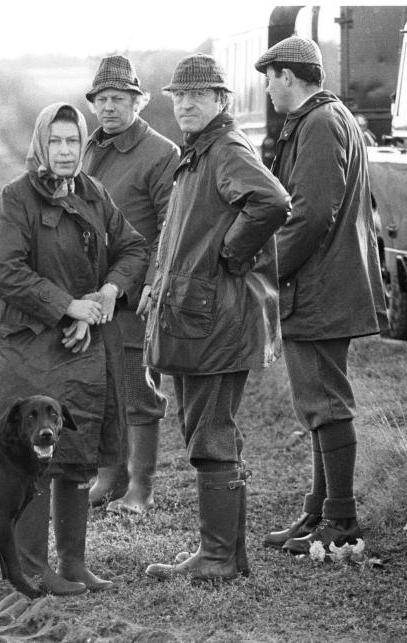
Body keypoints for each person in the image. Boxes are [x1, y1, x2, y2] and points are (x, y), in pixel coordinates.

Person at [0, 102, 147, 594]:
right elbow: (3, 270)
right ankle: (31, 568)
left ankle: (73, 564)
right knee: (31, 459)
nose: (65, 150)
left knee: (75, 452)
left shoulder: (94, 194)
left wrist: (106, 296)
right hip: (27, 349)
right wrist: (67, 307)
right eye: (55, 141)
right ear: (40, 144)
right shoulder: (15, 199)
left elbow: (134, 249)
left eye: (73, 141)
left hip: (81, 348)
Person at [142, 54, 290, 581]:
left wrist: (231, 254)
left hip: (216, 318)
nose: (185, 103)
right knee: (207, 430)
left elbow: (271, 202)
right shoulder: (198, 152)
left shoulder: (224, 148)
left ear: (221, 101)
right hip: (197, 314)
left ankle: (219, 557)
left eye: (197, 96)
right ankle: (224, 554)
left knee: (209, 433)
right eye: (179, 96)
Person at [253, 37, 388, 554]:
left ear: (289, 76)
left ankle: (342, 519)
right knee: (317, 403)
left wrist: (266, 269)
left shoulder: (319, 123)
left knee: (327, 402)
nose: (266, 87)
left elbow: (310, 215)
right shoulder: (325, 120)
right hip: (322, 282)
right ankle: (319, 512)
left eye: (270, 76)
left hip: (319, 286)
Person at [82, 55, 180, 515]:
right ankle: (109, 478)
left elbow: (169, 227)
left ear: (138, 102)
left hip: (135, 293)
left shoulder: (161, 153)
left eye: (118, 99)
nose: (108, 108)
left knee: (139, 390)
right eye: (101, 99)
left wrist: (151, 285)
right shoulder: (88, 148)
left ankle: (141, 489)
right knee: (102, 390)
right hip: (94, 294)